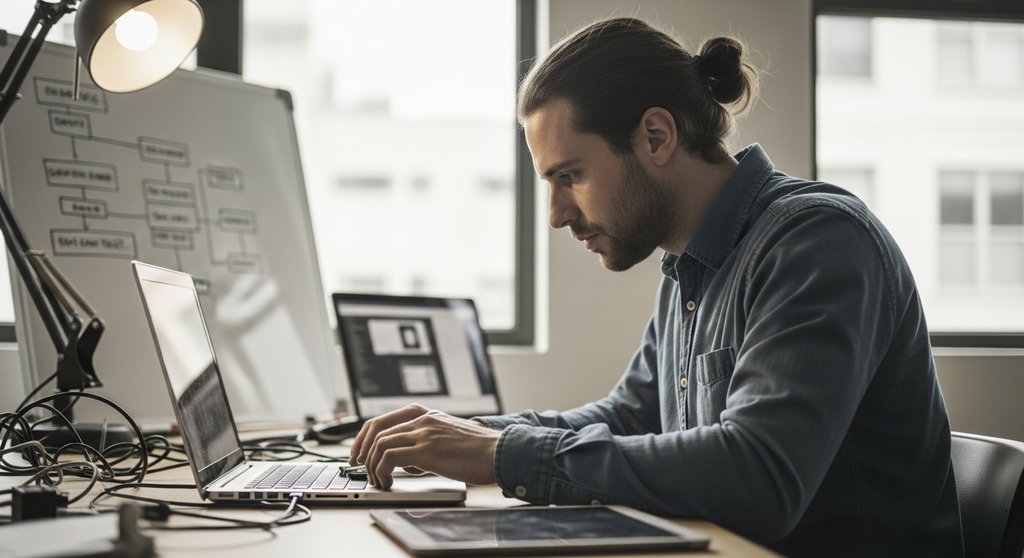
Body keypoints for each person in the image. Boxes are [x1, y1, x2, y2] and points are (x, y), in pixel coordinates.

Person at [349, 17, 964, 557]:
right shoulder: (689, 267)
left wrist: (500, 454)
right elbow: (630, 416)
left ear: (656, 136)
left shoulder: (815, 240)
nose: (556, 214)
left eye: (571, 176)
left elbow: (761, 475)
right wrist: (460, 434)